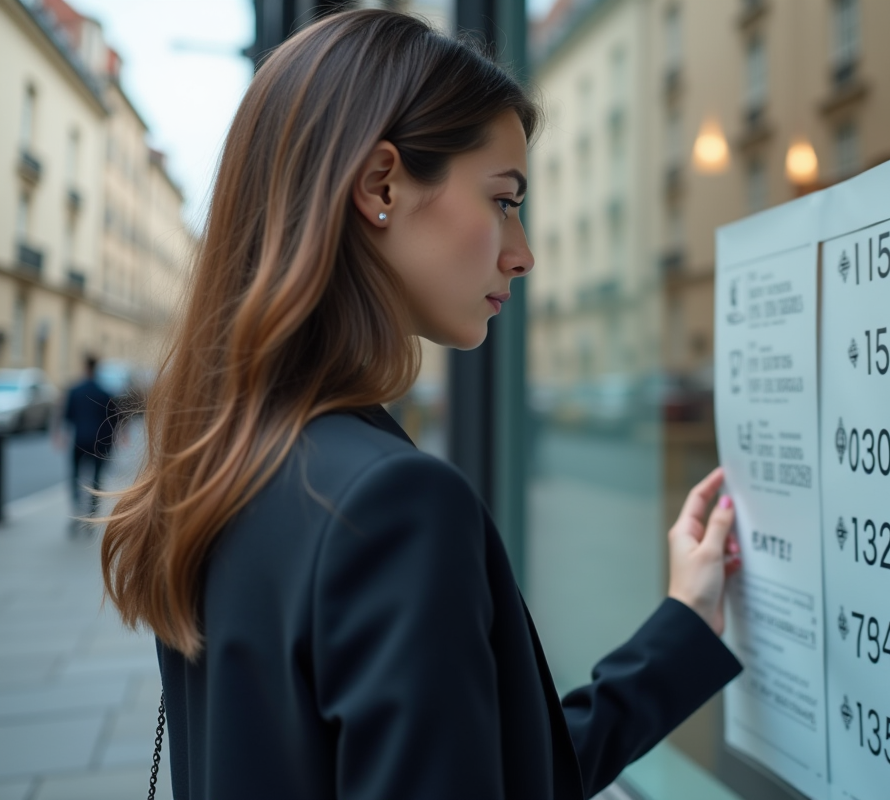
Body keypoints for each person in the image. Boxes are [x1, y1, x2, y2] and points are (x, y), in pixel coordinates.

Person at [99, 11, 744, 799]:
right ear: (381, 185)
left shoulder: (217, 466)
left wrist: (681, 629)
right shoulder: (392, 507)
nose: (524, 251)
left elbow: (502, 772)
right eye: (504, 199)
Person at [60, 354, 116, 524]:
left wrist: (62, 436)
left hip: (79, 440)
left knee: (76, 476)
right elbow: (112, 420)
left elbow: (68, 417)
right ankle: (92, 511)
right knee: (96, 478)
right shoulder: (105, 393)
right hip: (99, 443)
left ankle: (77, 508)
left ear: (85, 367)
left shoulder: (75, 391)